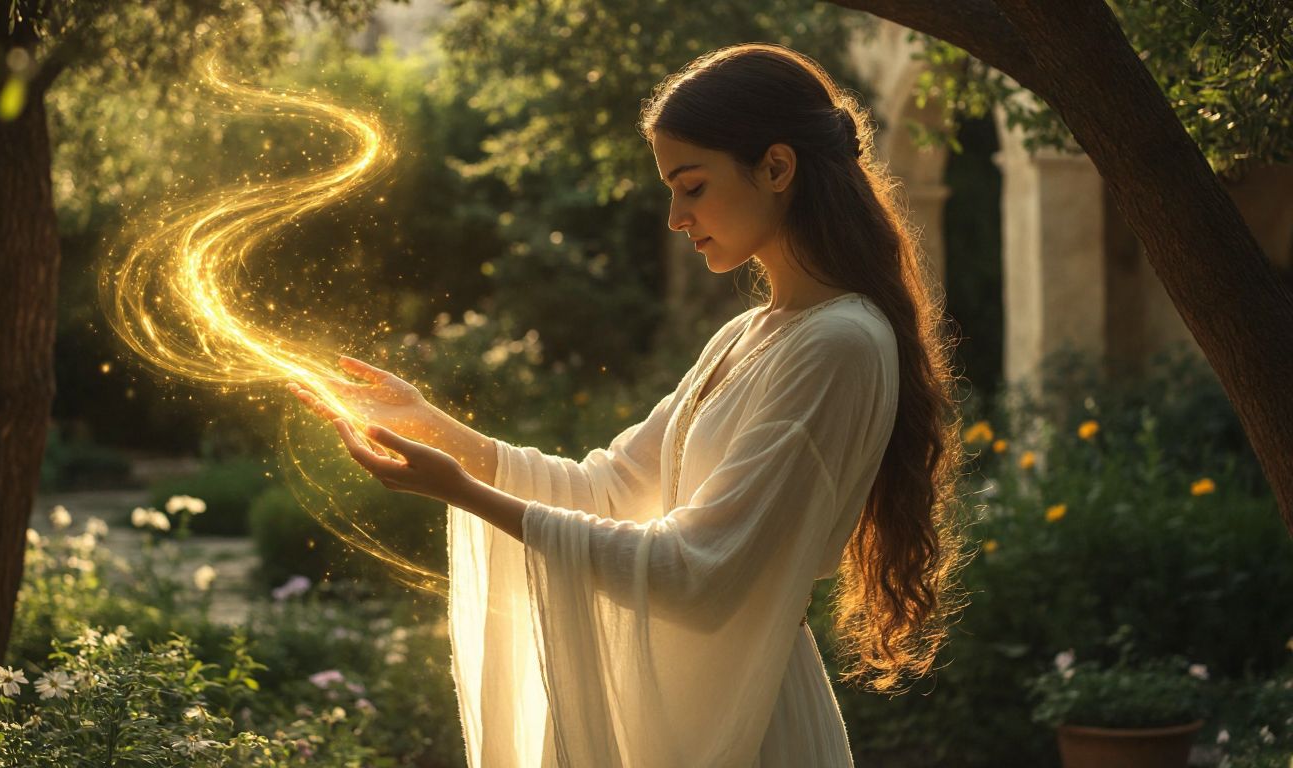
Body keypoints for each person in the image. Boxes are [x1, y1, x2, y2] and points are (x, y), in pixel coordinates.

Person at [289, 43, 968, 768]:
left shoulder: (839, 346)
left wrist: (463, 493)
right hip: (686, 713)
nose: (676, 216)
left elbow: (701, 573)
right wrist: (436, 428)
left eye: (693, 186)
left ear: (776, 168)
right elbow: (608, 488)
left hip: (743, 729)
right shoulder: (749, 334)